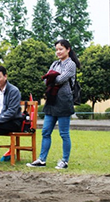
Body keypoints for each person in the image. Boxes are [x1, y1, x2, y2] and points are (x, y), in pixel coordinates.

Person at [27, 39, 80, 170]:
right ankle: (42, 159)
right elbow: (47, 81)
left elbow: (59, 79)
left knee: (64, 133)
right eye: (56, 49)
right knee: (45, 131)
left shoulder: (71, 64)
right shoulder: (55, 64)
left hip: (63, 101)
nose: (58, 52)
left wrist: (51, 77)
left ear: (68, 49)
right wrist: (51, 78)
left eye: (61, 49)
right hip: (51, 100)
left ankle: (65, 161)